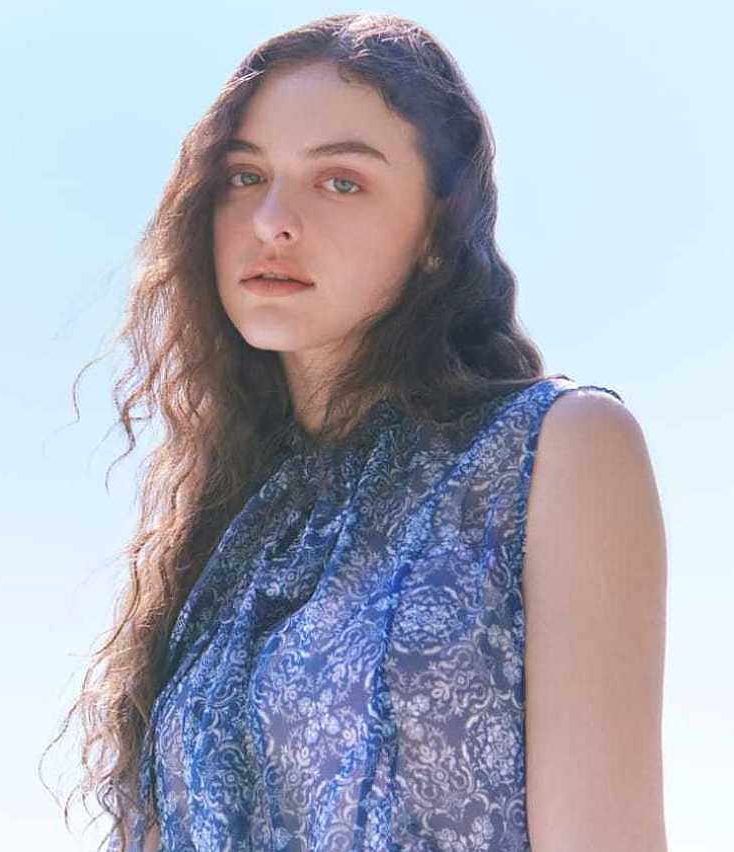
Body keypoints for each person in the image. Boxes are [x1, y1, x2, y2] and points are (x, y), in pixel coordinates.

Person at [45, 12, 668, 852]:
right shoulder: (225, 526)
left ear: (437, 233)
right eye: (244, 176)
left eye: (341, 182)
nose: (272, 220)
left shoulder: (557, 448)